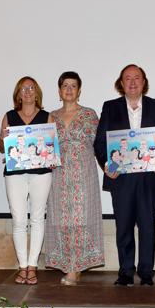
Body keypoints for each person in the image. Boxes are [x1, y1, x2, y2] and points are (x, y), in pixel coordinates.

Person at [94, 64, 155, 286]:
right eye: (127, 78)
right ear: (121, 83)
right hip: (122, 179)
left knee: (148, 226)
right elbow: (100, 142)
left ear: (144, 82)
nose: (132, 82)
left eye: (136, 78)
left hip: (150, 177)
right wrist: (107, 164)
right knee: (124, 226)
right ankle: (126, 272)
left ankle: (146, 272)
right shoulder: (110, 107)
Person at [45, 71, 104, 285]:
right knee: (62, 218)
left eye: (73, 86)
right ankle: (69, 263)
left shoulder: (90, 114)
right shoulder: (51, 116)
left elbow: (101, 144)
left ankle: (76, 267)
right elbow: (44, 146)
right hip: (59, 174)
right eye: (65, 86)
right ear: (59, 91)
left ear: (79, 90)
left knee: (81, 217)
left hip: (83, 173)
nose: (69, 89)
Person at [0, 76, 53, 285]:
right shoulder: (9, 116)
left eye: (31, 88)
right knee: (19, 220)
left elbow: (51, 147)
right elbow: (1, 147)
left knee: (38, 219)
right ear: (18, 94)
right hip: (15, 173)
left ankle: (32, 266)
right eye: (23, 89)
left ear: (37, 92)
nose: (28, 92)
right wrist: (3, 140)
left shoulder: (48, 117)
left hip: (41, 173)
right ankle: (22, 266)